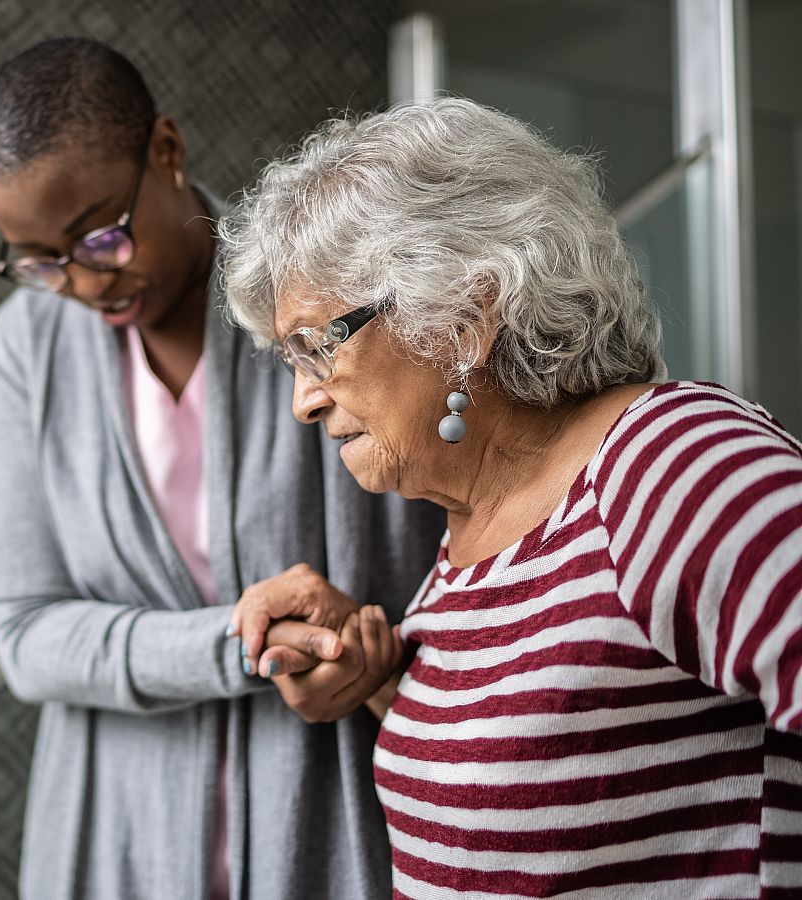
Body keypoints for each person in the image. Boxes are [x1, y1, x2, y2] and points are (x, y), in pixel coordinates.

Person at [221, 96, 802, 898]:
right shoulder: (471, 532)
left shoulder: (668, 461)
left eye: (318, 347)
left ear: (463, 317)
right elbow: (558, 782)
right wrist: (375, 673)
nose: (305, 401)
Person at [0, 38, 443, 900]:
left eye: (100, 236)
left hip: (337, 815)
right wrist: (241, 644)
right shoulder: (19, 353)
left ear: (166, 150)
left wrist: (366, 656)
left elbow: (446, 548)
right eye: (39, 261)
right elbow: (27, 633)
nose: (81, 284)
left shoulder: (324, 299)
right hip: (111, 833)